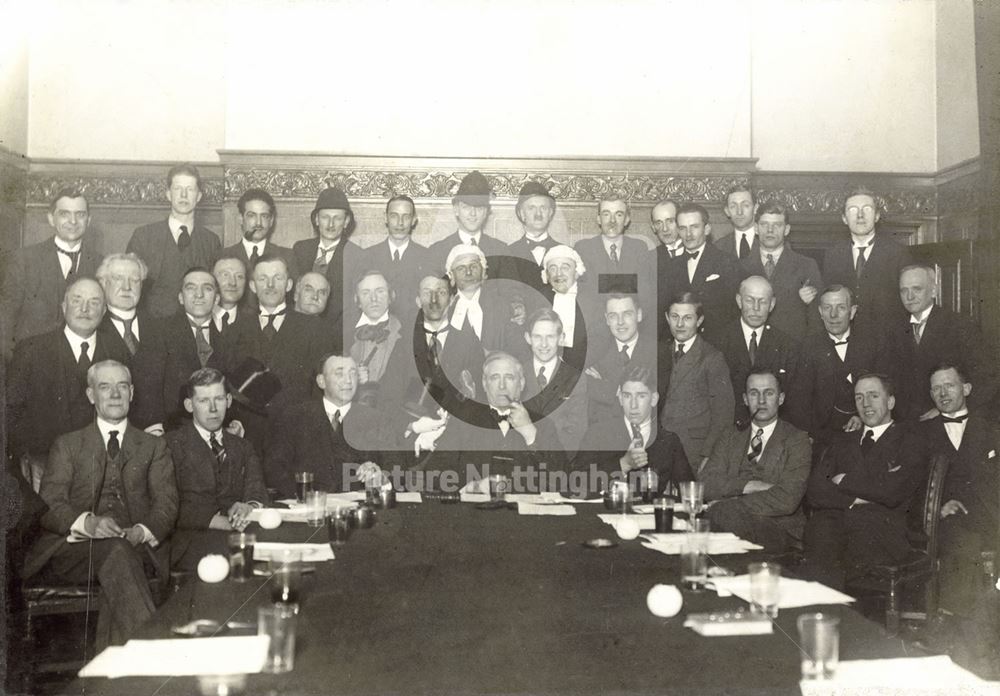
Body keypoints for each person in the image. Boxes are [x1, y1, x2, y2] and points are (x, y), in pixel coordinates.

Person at [21, 360, 177, 648]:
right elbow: (49, 505)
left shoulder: (154, 446)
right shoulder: (68, 444)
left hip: (136, 547)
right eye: (105, 387)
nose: (115, 394)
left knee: (118, 565)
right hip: (73, 552)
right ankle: (155, 651)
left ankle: (115, 679)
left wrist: (141, 531)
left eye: (122, 387)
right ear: (91, 395)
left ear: (132, 393)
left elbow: (166, 505)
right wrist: (89, 523)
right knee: (118, 554)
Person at [804, 373, 927, 590]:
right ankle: (827, 612)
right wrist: (858, 499)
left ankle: (855, 616)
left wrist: (844, 481)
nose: (866, 404)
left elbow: (892, 492)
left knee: (851, 540)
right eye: (859, 397)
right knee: (819, 529)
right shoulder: (843, 440)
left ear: (890, 402)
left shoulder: (910, 439)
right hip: (837, 527)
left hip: (884, 531)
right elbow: (815, 491)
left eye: (873, 396)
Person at [7, 277, 128, 490]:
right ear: (63, 307)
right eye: (77, 300)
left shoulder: (118, 352)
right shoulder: (31, 350)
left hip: (103, 473)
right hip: (43, 471)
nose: (84, 308)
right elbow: (12, 414)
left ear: (104, 311)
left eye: (94, 302)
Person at [166, 368, 268, 571]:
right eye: (203, 401)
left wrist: (250, 506)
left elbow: (257, 489)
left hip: (240, 531)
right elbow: (169, 504)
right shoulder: (170, 445)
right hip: (192, 538)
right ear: (189, 405)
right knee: (239, 558)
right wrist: (219, 522)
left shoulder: (242, 446)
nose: (213, 409)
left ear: (229, 400)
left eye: (219, 399)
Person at [413, 351, 562, 487]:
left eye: (509, 377)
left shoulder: (543, 424)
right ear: (484, 384)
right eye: (495, 378)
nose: (502, 386)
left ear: (522, 384)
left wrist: (530, 433)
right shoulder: (464, 420)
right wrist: (473, 488)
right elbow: (433, 476)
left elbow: (563, 482)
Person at [701, 370, 812, 552]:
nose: (761, 401)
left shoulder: (797, 439)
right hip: (729, 522)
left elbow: (787, 499)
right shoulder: (730, 436)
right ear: (745, 399)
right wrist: (749, 485)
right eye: (754, 393)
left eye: (768, 393)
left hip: (779, 528)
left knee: (721, 516)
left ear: (781, 398)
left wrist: (730, 503)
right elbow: (706, 483)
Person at [228, 255, 328, 456]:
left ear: (289, 284)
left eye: (278, 278)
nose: (270, 284)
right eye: (263, 278)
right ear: (253, 286)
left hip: (297, 438)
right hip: (249, 438)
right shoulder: (235, 330)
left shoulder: (313, 328)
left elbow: (319, 389)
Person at [922, 364, 1000, 618]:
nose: (943, 393)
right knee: (963, 543)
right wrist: (936, 506)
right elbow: (912, 483)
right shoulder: (920, 433)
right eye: (936, 389)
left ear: (966, 389)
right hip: (948, 518)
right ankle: (959, 625)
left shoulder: (991, 429)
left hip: (990, 514)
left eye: (949, 385)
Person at [1, 188, 103, 359]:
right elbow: (5, 321)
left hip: (83, 365)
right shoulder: (23, 260)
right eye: (64, 214)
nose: (73, 221)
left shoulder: (102, 264)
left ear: (89, 220)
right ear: (51, 219)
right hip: (31, 363)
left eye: (80, 214)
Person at [889, 263, 997, 421]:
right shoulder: (893, 329)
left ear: (934, 290)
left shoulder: (960, 325)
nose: (909, 297)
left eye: (917, 289)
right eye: (904, 290)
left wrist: (947, 408)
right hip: (908, 425)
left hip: (950, 420)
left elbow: (988, 378)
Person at [265, 354, 385, 496]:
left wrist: (378, 476)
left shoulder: (376, 419)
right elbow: (274, 469)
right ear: (321, 381)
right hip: (306, 508)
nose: (348, 381)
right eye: (339, 374)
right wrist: (301, 497)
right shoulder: (294, 417)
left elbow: (394, 470)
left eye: (353, 374)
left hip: (358, 509)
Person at [132, 267, 232, 433]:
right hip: (171, 431)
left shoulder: (227, 337)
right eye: (191, 288)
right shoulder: (159, 331)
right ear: (180, 297)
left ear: (217, 299)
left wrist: (235, 421)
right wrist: (155, 426)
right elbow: (147, 384)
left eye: (207, 288)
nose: (199, 295)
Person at [572, 365, 692, 497]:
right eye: (627, 396)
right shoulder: (598, 433)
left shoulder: (669, 441)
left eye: (641, 396)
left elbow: (690, 491)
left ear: (653, 399)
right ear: (620, 399)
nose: (633, 405)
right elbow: (575, 482)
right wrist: (623, 464)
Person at [378, 274, 484, 421]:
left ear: (452, 300)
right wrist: (410, 426)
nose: (434, 300)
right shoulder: (405, 344)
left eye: (441, 293)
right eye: (427, 293)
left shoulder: (469, 342)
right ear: (418, 301)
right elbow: (388, 395)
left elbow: (480, 396)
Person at [127, 164, 222, 318]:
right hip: (152, 327)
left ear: (198, 197)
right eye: (178, 189)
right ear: (168, 194)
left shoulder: (211, 241)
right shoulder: (143, 236)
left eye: (190, 189)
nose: (183, 195)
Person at [798, 285, 888, 444]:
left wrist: (863, 417)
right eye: (827, 308)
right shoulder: (808, 347)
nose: (833, 315)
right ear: (820, 312)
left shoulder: (872, 343)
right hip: (822, 437)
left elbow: (884, 392)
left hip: (866, 430)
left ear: (852, 312)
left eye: (841, 307)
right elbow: (801, 400)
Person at [713, 276, 805, 430]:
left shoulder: (788, 345)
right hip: (727, 434)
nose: (756, 308)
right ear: (739, 301)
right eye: (749, 300)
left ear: (772, 304)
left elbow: (793, 401)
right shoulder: (718, 342)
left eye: (762, 301)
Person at [821, 187, 913, 338]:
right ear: (844, 218)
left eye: (867, 209)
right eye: (852, 210)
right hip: (846, 343)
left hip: (887, 343)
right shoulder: (833, 254)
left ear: (877, 216)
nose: (860, 215)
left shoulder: (898, 253)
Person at [658, 292, 734, 471]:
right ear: (667, 318)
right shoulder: (659, 353)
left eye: (687, 318)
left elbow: (723, 416)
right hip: (661, 450)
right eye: (675, 317)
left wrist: (709, 455)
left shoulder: (712, 358)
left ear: (699, 321)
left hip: (694, 452)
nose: (680, 324)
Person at [659, 203, 745, 346]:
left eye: (694, 227)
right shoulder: (669, 267)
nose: (688, 234)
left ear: (707, 229)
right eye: (682, 228)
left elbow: (735, 312)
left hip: (717, 346)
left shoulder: (727, 262)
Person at [741, 201, 823, 337]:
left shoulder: (806, 265)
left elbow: (818, 316)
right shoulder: (740, 267)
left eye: (777, 225)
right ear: (756, 228)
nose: (770, 230)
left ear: (786, 230)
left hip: (793, 348)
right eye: (764, 224)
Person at [291, 187, 361, 342]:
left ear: (346, 222)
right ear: (316, 219)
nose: (331, 224)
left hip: (335, 336)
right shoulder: (300, 249)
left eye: (337, 218)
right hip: (297, 332)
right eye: (325, 217)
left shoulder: (356, 255)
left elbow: (353, 308)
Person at [585, 294, 664, 425]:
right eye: (613, 316)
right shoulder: (595, 350)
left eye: (627, 314)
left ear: (638, 315)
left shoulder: (657, 351)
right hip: (604, 430)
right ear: (606, 319)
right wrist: (612, 389)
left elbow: (658, 399)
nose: (620, 322)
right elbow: (580, 384)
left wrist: (605, 386)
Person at [520, 308, 588, 455]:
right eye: (537, 337)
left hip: (559, 461)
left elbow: (575, 432)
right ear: (528, 338)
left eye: (550, 337)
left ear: (561, 338)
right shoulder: (517, 374)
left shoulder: (575, 379)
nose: (544, 344)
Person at [573, 197, 655, 313]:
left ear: (627, 220)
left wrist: (599, 281)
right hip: (595, 323)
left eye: (619, 215)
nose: (612, 221)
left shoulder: (639, 248)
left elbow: (643, 291)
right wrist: (630, 282)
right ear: (599, 219)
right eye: (606, 214)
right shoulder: (583, 248)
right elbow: (584, 292)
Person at [357, 195, 430, 322]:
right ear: (385, 218)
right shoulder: (367, 256)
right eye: (394, 216)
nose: (400, 223)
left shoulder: (426, 257)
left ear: (414, 220)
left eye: (406, 216)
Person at [222, 188, 297, 307]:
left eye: (264, 216)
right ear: (240, 219)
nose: (258, 223)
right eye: (251, 216)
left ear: (271, 221)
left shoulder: (287, 256)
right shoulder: (223, 257)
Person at [538, 244, 607, 371]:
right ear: (546, 275)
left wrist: (575, 365)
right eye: (553, 268)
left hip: (583, 366)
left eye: (565, 267)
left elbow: (600, 340)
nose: (558, 274)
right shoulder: (538, 300)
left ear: (576, 272)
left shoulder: (593, 301)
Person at [427, 170, 507, 274]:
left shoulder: (501, 251)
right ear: (456, 209)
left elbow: (509, 290)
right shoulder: (437, 252)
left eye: (479, 207)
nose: (473, 213)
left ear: (486, 211)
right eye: (466, 207)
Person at [445, 244, 519, 352]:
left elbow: (518, 350)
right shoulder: (444, 309)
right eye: (461, 268)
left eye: (474, 266)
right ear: (451, 276)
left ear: (484, 272)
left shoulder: (502, 307)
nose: (468, 272)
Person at [499, 181, 564, 298]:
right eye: (531, 208)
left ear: (550, 213)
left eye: (543, 208)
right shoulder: (508, 254)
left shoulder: (565, 252)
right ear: (521, 214)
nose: (538, 214)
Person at [348, 271, 404, 389]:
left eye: (380, 291)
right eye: (365, 293)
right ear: (356, 300)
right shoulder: (342, 332)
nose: (373, 298)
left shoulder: (405, 334)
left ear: (391, 296)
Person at [713, 184, 758, 261]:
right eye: (733, 206)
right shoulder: (718, 247)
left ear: (755, 208)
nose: (739, 212)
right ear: (727, 211)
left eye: (745, 205)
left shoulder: (769, 241)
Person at [211, 254, 247, 336]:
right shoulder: (196, 318)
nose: (233, 283)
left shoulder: (255, 322)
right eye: (225, 275)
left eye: (239, 276)